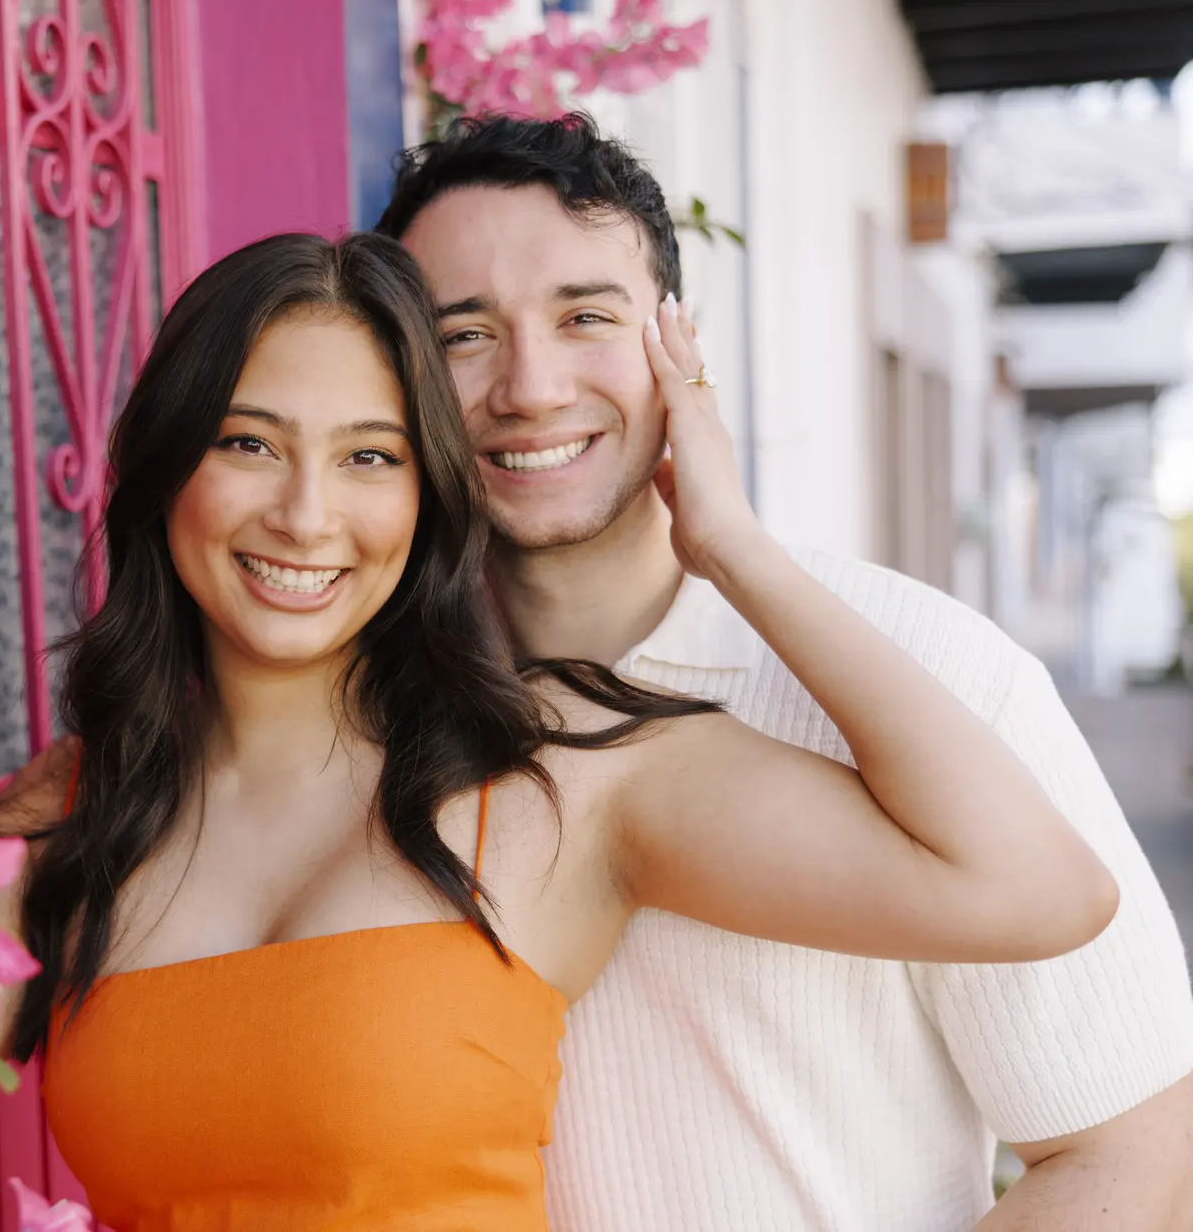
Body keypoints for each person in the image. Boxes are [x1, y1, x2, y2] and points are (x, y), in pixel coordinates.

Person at [0, 229, 1117, 1231]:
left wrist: (734, 546)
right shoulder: (70, 843)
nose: (307, 515)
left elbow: (1032, 887)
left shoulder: (558, 785)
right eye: (249, 442)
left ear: (427, 500)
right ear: (164, 467)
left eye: (369, 458)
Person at [374, 111, 1193, 1232]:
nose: (528, 384)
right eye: (462, 334)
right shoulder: (363, 712)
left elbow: (1131, 1147)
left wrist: (737, 553)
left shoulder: (935, 677)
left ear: (679, 344)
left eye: (585, 317)